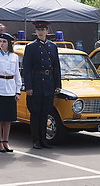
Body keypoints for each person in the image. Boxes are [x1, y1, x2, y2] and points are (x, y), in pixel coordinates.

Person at [23, 21, 61, 149]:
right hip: (36, 83)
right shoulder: (31, 47)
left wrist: (57, 84)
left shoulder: (52, 46)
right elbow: (27, 68)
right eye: (38, 30)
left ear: (47, 31)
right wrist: (28, 87)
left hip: (49, 83)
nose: (40, 32)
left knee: (45, 113)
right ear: (36, 32)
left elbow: (56, 66)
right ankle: (36, 140)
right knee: (36, 113)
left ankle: (44, 139)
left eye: (43, 29)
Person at [0, 33, 22, 153]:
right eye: (0, 41)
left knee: (8, 118)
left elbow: (17, 74)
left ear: (9, 43)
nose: (2, 44)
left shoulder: (14, 57)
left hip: (10, 89)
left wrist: (18, 91)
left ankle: (6, 141)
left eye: (4, 42)